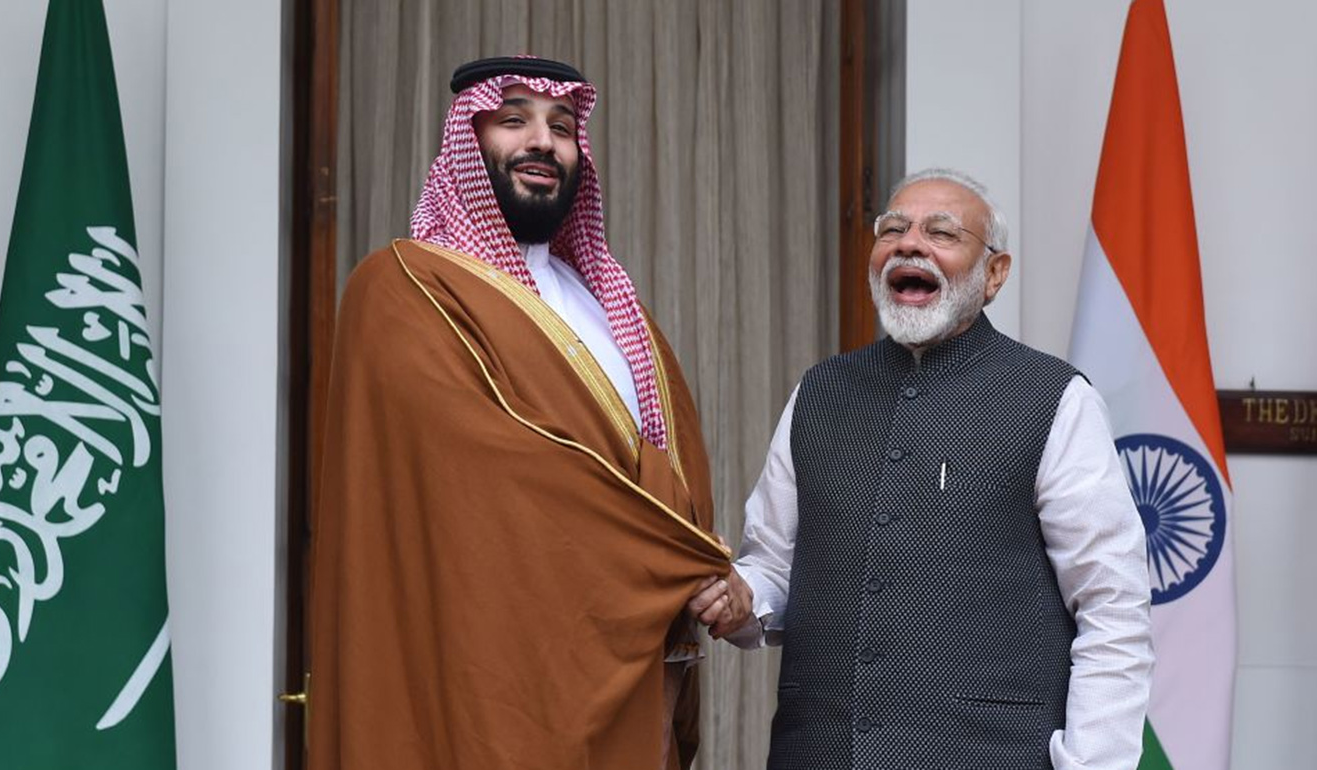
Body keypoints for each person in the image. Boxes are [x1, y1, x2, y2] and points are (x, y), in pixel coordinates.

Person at [307, 56, 731, 770]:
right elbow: (493, 476)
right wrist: (679, 556)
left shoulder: (611, 306)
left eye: (562, 128)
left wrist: (695, 566)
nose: (542, 141)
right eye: (514, 120)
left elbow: (668, 460)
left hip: (630, 669)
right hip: (484, 671)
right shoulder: (403, 290)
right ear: (466, 142)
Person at [690, 169, 1153, 769]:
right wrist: (739, 599)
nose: (909, 244)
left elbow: (1112, 606)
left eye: (942, 232)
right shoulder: (820, 392)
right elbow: (775, 565)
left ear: (994, 274)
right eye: (892, 230)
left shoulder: (1054, 399)